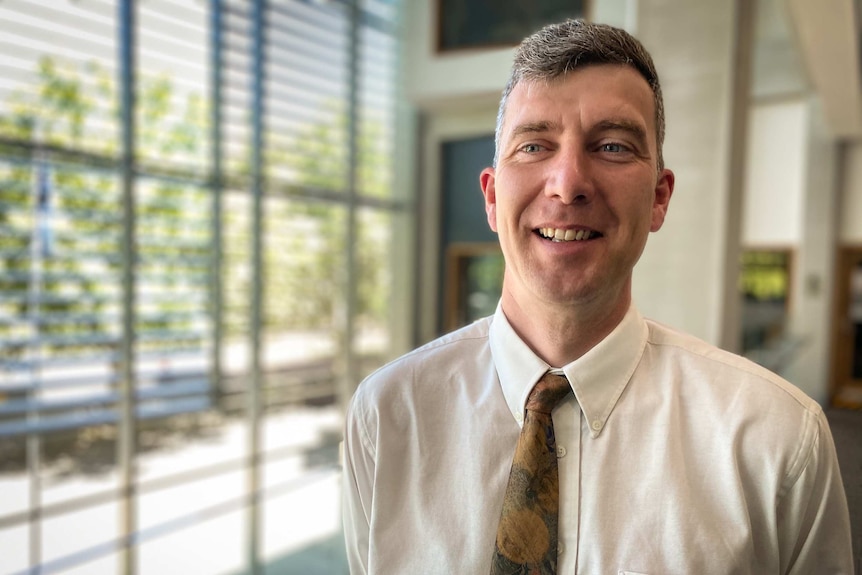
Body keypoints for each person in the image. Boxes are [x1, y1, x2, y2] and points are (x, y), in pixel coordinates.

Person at [342, 19, 854, 574]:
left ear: (658, 198)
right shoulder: (388, 415)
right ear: (492, 198)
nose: (568, 182)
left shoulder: (776, 440)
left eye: (612, 146)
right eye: (534, 145)